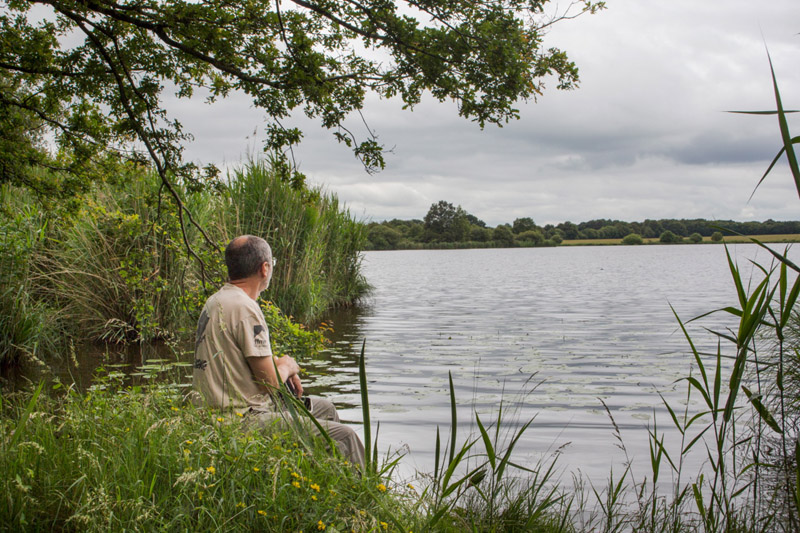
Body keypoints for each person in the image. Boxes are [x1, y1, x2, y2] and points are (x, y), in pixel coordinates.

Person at [192, 234, 365, 469]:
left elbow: (240, 353)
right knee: (345, 437)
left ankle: (324, 483)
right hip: (241, 418)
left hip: (219, 412)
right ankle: (361, 499)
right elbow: (270, 384)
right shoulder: (245, 308)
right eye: (272, 265)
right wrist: (289, 366)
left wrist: (279, 361)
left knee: (326, 408)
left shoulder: (217, 300)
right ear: (264, 268)